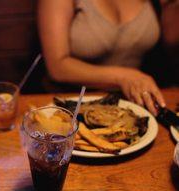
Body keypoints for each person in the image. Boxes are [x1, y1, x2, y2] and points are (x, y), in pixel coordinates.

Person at [37, 0, 168, 115]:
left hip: (130, 105)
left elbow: (171, 49)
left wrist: (171, 5)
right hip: (69, 106)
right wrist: (123, 77)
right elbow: (57, 67)